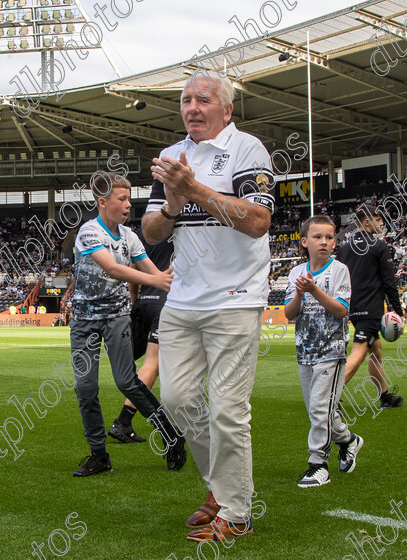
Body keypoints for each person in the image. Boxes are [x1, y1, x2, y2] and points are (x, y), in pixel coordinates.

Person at [143, 73, 274, 542]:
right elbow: (153, 232)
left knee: (228, 410)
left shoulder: (248, 150)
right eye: (185, 100)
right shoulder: (173, 157)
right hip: (182, 298)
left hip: (235, 299)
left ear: (227, 109)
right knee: (178, 401)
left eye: (203, 100)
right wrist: (174, 203)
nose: (193, 108)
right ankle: (219, 490)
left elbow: (258, 221)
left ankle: (237, 513)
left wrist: (195, 190)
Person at [69, 173, 186, 477]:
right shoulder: (88, 232)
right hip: (84, 320)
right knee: (85, 387)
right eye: (122, 199)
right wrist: (156, 279)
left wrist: (170, 278)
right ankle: (99, 455)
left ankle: (171, 435)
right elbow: (112, 268)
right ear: (103, 202)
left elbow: (153, 271)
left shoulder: (130, 236)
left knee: (126, 381)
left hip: (117, 317)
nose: (128, 204)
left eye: (128, 198)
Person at [284, 216, 363, 488]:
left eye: (329, 237)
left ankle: (318, 464)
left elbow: (341, 310)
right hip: (305, 350)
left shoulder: (339, 270)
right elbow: (289, 314)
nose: (325, 242)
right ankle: (349, 441)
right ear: (305, 242)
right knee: (320, 411)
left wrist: (314, 290)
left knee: (320, 409)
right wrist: (299, 294)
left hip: (332, 349)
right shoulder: (295, 273)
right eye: (318, 237)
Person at [336, 205, 405, 409]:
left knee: (376, 351)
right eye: (378, 219)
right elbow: (389, 282)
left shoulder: (345, 249)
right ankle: (331, 397)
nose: (382, 223)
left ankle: (384, 396)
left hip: (352, 307)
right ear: (367, 222)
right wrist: (399, 312)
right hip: (371, 308)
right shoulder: (379, 246)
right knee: (359, 352)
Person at [107, 235, 173, 444]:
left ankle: (124, 421)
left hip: (144, 302)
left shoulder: (147, 235)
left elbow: (132, 268)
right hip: (166, 303)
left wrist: (136, 300)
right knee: (153, 364)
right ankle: (123, 422)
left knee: (140, 359)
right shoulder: (184, 233)